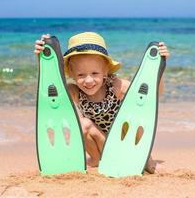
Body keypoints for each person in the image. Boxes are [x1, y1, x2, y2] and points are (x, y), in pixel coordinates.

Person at [34, 32, 170, 173]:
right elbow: (50, 90)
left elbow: (153, 96)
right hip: (103, 145)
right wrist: (44, 61)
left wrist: (159, 69)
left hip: (125, 143)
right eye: (81, 75)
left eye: (95, 73)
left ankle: (146, 159)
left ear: (105, 71)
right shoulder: (74, 92)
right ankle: (96, 159)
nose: (88, 81)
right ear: (72, 75)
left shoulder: (116, 86)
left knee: (132, 117)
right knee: (83, 124)